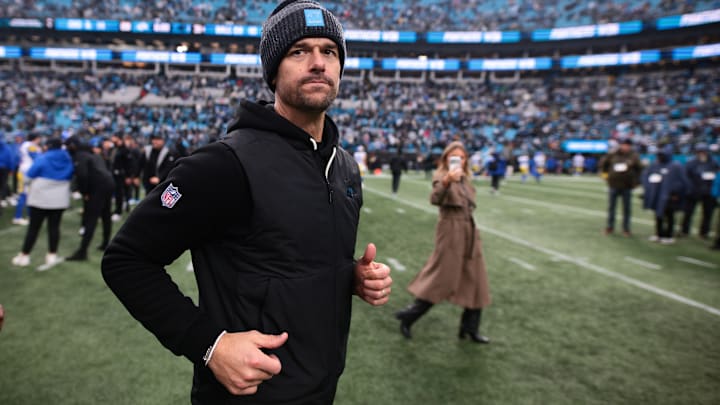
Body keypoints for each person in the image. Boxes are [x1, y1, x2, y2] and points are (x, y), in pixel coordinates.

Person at [101, 1, 393, 403]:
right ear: (273, 71)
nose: (318, 62)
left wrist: (349, 278)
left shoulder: (343, 166)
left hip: (320, 388)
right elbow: (126, 260)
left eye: (329, 51)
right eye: (299, 51)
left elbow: (288, 262)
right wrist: (210, 345)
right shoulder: (224, 164)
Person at [395, 141, 491, 343]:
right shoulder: (441, 177)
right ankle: (409, 317)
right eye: (453, 157)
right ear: (446, 158)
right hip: (450, 231)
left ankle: (470, 328)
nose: (458, 160)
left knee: (476, 280)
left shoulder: (466, 180)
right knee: (442, 278)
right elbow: (435, 198)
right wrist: (448, 181)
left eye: (462, 157)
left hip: (469, 230)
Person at [11, 138, 74, 268]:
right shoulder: (67, 159)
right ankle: (52, 255)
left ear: (48, 146)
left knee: (33, 229)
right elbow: (71, 175)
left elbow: (28, 176)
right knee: (54, 228)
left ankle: (24, 256)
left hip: (40, 199)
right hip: (60, 200)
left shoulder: (43, 158)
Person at [65, 136, 115, 260]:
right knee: (105, 215)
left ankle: (82, 251)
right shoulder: (93, 155)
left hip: (98, 187)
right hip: (108, 183)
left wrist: (85, 191)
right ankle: (105, 243)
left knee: (91, 217)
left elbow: (82, 175)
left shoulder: (80, 156)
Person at [642, 145, 690, 245]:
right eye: (659, 155)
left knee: (669, 216)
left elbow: (683, 182)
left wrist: (675, 192)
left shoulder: (676, 166)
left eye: (662, 155)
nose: (660, 157)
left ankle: (669, 235)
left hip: (670, 196)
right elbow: (646, 175)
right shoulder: (656, 164)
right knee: (658, 215)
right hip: (657, 194)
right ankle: (659, 234)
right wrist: (649, 187)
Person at [599, 138, 643, 236]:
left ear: (630, 146)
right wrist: (606, 176)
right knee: (611, 208)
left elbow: (639, 169)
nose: (625, 146)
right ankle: (610, 227)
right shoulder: (612, 154)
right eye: (623, 144)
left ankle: (626, 229)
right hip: (613, 185)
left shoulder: (634, 156)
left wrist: (637, 182)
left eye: (627, 145)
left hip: (627, 186)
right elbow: (604, 165)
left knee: (627, 209)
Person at [680, 143, 719, 239]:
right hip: (694, 191)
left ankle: (704, 232)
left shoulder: (713, 162)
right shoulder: (691, 162)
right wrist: (689, 188)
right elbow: (685, 176)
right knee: (688, 212)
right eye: (699, 151)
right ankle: (684, 230)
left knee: (707, 213)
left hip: (708, 192)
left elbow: (716, 175)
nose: (701, 153)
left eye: (703, 151)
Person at [13, 133, 42, 225]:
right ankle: (17, 217)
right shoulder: (30, 146)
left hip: (25, 170)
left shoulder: (26, 145)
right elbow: (37, 158)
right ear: (36, 138)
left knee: (28, 195)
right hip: (26, 172)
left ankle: (29, 215)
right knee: (23, 195)